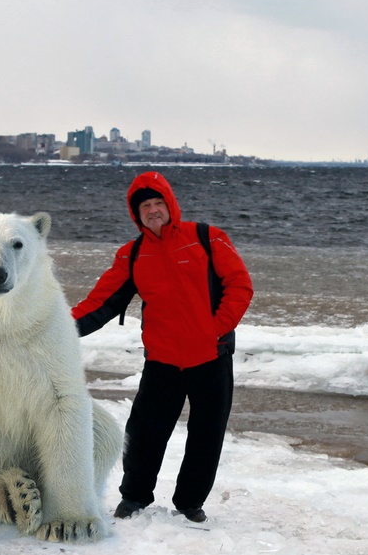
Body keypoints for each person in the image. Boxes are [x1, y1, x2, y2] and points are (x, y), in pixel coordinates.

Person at [72, 171, 253, 523]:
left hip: (211, 357)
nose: (153, 210)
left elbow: (240, 286)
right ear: (136, 214)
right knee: (143, 435)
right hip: (162, 361)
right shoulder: (133, 254)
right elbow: (101, 303)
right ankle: (135, 497)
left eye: (158, 203)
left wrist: (214, 331)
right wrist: (57, 328)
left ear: (170, 205)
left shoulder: (207, 238)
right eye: (145, 207)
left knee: (206, 436)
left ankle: (189, 503)